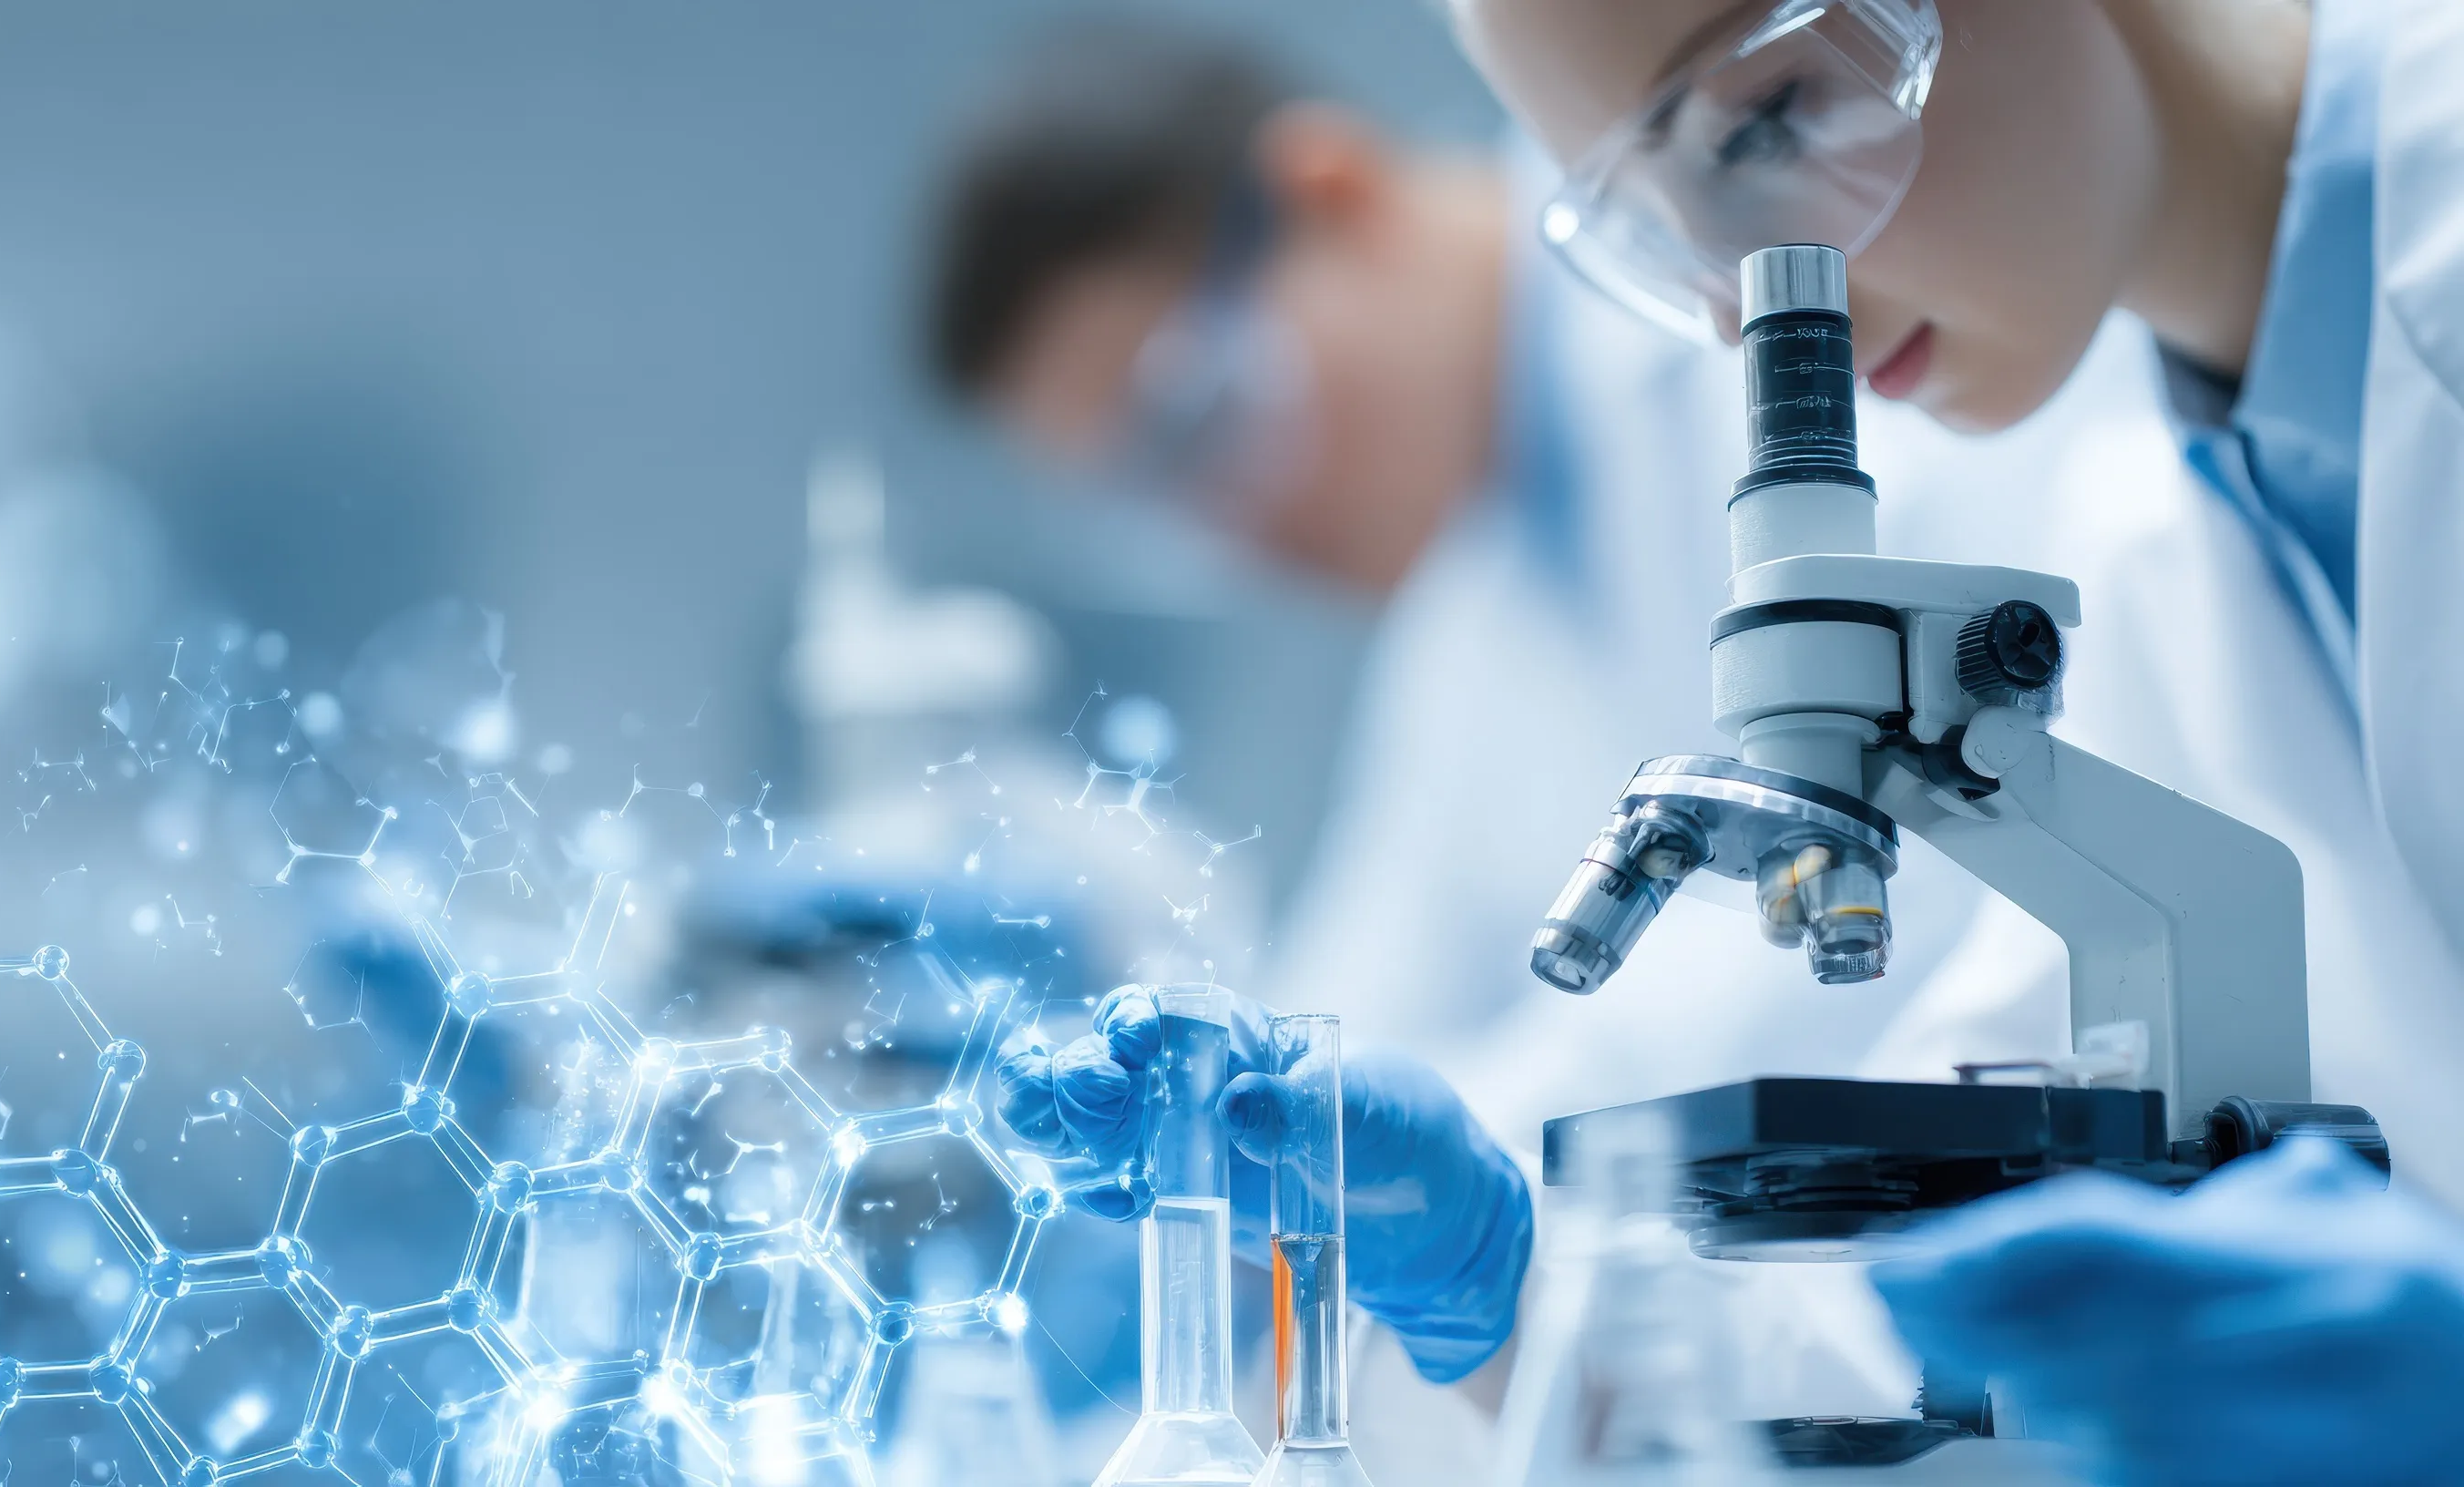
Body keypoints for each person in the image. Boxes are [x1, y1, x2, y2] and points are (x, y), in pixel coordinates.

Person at [924, 14, 2179, 1464]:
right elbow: (1361, 1027)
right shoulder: (1472, 611)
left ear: (1334, 195)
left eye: (1196, 420)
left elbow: (1842, 984)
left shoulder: (1853, 317)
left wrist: (1469, 1217)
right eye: (1145, 513)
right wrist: (1171, 1154)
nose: (1229, 528)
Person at [1432, 0, 2464, 1476]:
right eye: (1660, 227)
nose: (1740, 307)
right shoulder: (2155, 537)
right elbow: (1964, 1298)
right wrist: (1496, 1280)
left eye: (1769, 121)